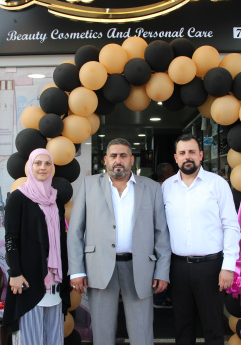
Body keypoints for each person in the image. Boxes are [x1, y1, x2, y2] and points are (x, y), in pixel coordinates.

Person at [67, 138, 171, 345]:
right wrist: (77, 270)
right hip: (100, 266)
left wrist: (162, 271)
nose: (118, 160)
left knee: (142, 332)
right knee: (102, 332)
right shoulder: (89, 185)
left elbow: (161, 233)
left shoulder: (151, 187)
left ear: (132, 160)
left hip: (140, 267)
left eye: (123, 156)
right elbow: (75, 230)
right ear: (105, 160)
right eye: (113, 156)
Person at [161, 133, 241, 345]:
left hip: (211, 268)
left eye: (192, 152)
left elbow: (231, 226)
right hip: (178, 267)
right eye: (182, 153)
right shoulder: (166, 187)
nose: (187, 157)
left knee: (213, 327)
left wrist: (228, 267)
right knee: (182, 327)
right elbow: (161, 230)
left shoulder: (217, 184)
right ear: (176, 158)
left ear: (201, 155)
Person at [2, 148, 70, 345]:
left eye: (47, 164)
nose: (43, 168)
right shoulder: (18, 198)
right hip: (29, 278)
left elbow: (61, 239)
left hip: (54, 279)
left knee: (54, 337)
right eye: (37, 163)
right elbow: (11, 238)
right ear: (29, 167)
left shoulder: (55, 200)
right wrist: (15, 272)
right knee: (30, 337)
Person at [154, 162, 175, 309]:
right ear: (166, 174)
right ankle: (159, 297)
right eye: (171, 171)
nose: (174, 173)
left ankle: (160, 296)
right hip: (163, 233)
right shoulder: (163, 187)